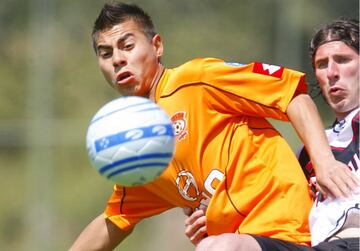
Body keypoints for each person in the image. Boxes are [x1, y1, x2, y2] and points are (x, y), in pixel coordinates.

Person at [69, 2, 358, 250]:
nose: (118, 59)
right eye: (105, 53)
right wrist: (214, 214)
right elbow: (114, 220)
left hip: (287, 232)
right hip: (239, 240)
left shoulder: (196, 80)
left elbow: (291, 95)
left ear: (157, 46)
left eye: (127, 46)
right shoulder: (142, 154)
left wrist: (324, 162)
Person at [184, 18, 360, 251]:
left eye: (343, 60)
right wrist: (216, 225)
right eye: (322, 64)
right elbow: (284, 222)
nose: (332, 72)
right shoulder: (309, 155)